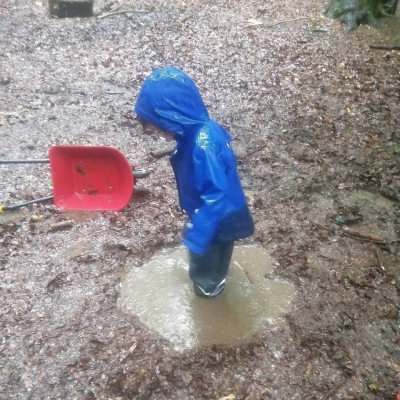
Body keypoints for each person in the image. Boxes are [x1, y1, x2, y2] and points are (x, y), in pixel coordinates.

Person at [134, 67, 254, 298]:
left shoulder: (203, 144)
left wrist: (199, 232)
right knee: (219, 251)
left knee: (206, 257)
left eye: (160, 127)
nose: (161, 134)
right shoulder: (201, 130)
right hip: (222, 209)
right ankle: (217, 277)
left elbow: (216, 192)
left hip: (218, 214)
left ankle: (207, 291)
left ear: (173, 115)